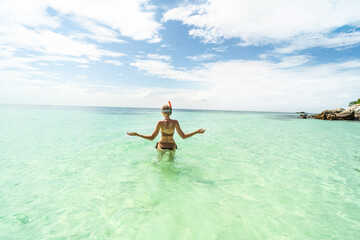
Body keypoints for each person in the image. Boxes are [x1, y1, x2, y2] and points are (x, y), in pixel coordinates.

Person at [126, 102, 206, 152]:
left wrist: (137, 134)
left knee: (160, 166)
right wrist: (196, 132)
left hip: (161, 145)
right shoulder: (175, 122)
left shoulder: (160, 123)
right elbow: (183, 137)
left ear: (162, 113)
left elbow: (151, 138)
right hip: (171, 145)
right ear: (170, 113)